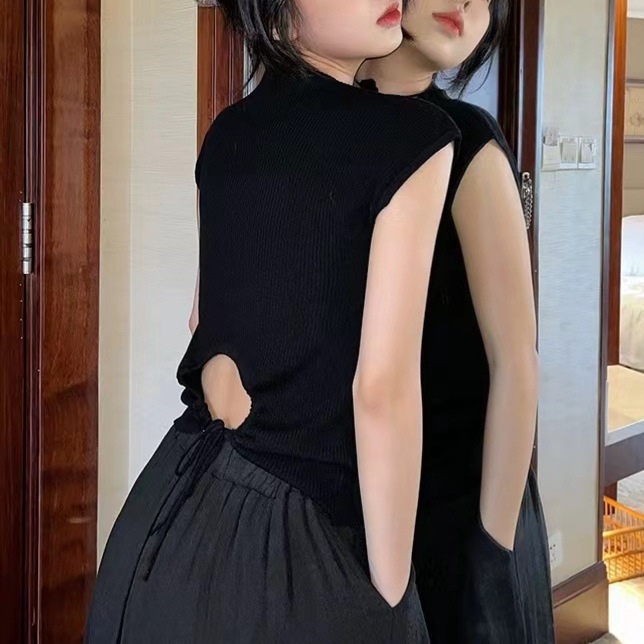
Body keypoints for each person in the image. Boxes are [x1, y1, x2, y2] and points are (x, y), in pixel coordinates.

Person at [83, 1, 462, 642]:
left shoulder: (227, 132)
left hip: (170, 517)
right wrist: (393, 599)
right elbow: (382, 391)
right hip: (299, 549)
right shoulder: (413, 137)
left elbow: (203, 322)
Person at [357, 1, 556, 642]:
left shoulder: (468, 138)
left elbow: (516, 363)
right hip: (355, 490)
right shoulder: (320, 125)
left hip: (460, 504)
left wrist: (492, 554)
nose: (471, 4)